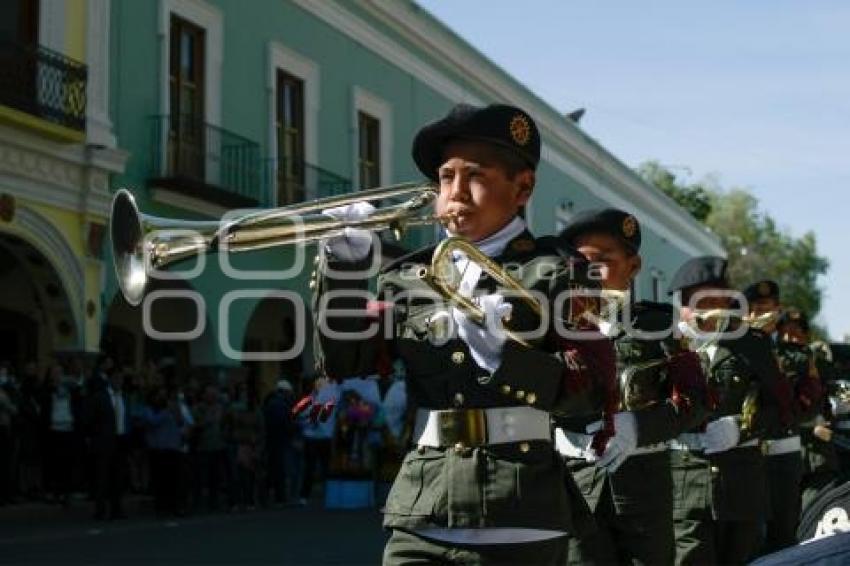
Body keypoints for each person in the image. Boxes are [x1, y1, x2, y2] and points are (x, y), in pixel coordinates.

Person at [310, 103, 616, 564]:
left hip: (520, 508)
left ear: (523, 188)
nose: (455, 194)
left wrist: (506, 360)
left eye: (475, 176)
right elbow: (344, 362)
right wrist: (343, 273)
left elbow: (591, 395)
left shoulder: (558, 271)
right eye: (445, 178)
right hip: (422, 505)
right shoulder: (407, 275)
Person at [557, 209, 709, 565]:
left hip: (644, 489)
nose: (591, 272)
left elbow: (697, 399)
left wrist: (638, 427)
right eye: (581, 263)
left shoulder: (658, 323)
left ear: (634, 266)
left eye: (604, 261)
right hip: (575, 483)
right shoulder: (556, 323)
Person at [667, 258, 789, 564]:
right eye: (697, 302)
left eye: (717, 301)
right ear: (682, 306)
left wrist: (742, 426)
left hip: (742, 484)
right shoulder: (665, 344)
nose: (708, 310)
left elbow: (783, 410)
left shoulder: (751, 345)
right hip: (682, 483)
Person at [743, 282, 822, 554]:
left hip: (781, 457)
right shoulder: (734, 349)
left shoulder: (795, 355)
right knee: (746, 541)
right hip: (740, 457)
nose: (761, 315)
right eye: (755, 309)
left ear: (777, 311)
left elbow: (807, 407)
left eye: (767, 309)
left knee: (783, 538)